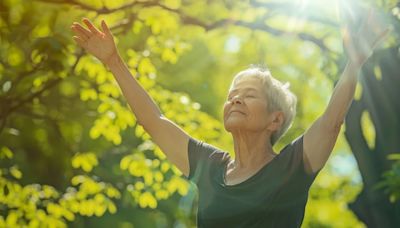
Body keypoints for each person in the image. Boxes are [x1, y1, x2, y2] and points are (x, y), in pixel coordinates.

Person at [71, 9, 390, 227]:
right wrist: (113, 61)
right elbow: (153, 120)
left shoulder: (291, 167)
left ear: (274, 120)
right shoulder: (209, 167)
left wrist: (355, 62)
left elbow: (332, 120)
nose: (235, 98)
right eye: (232, 94)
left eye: (249, 94)